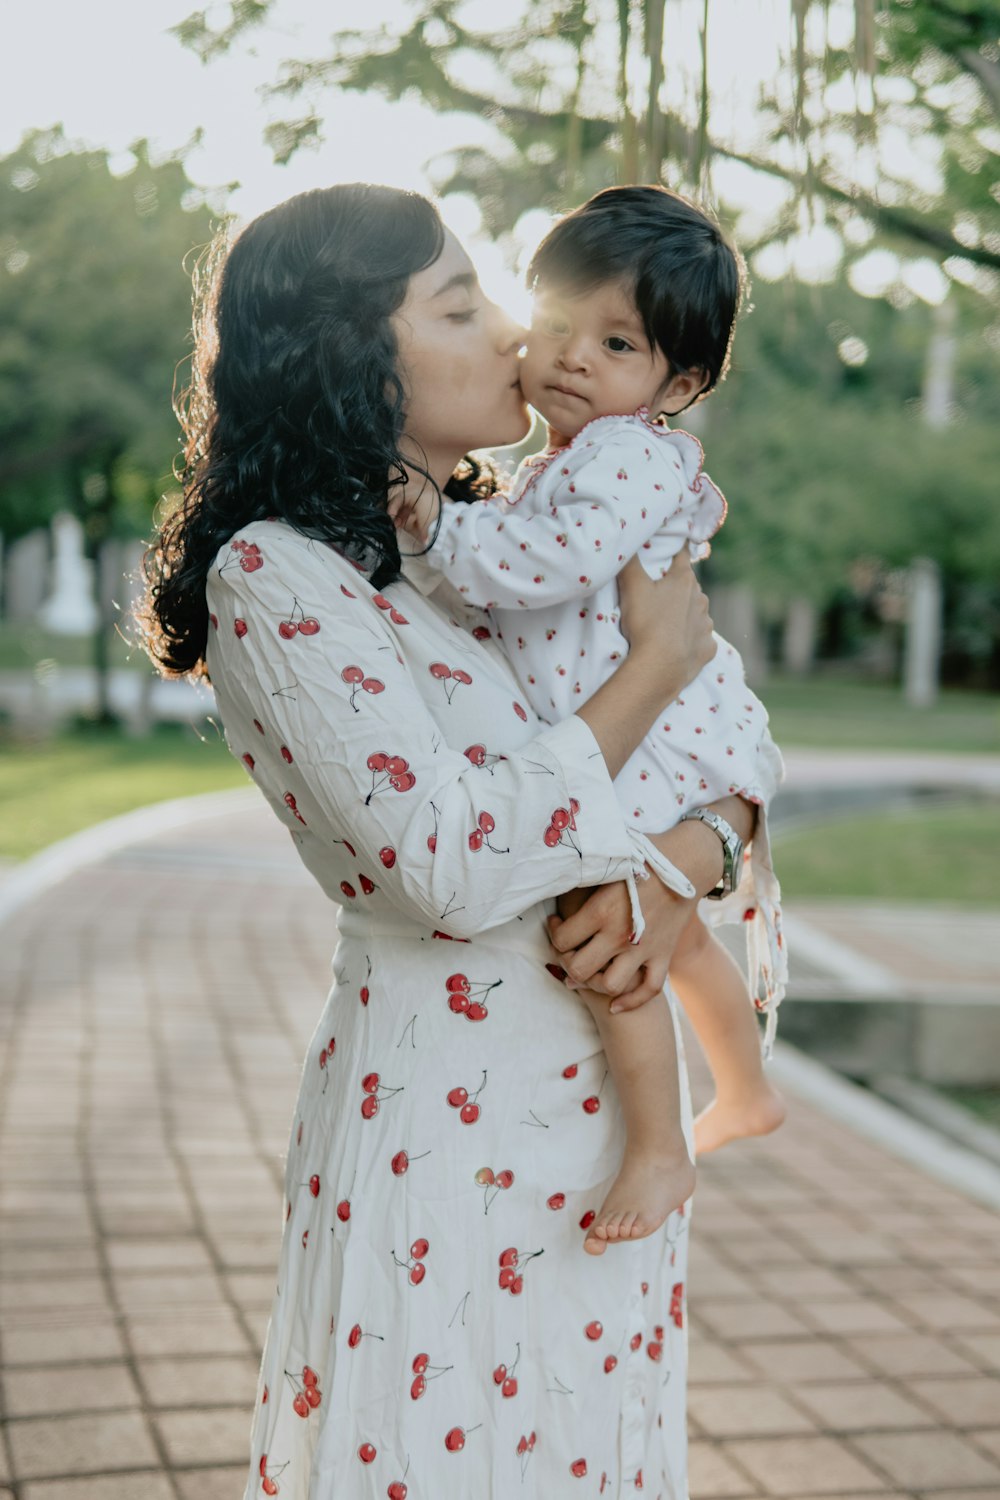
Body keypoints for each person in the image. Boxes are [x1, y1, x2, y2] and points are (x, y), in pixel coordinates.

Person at [139, 182, 771, 1500]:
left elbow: (707, 751)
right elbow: (448, 862)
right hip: (446, 1125)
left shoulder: (507, 550)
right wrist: (652, 666)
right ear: (351, 351)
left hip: (600, 1123)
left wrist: (702, 852)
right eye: (461, 302)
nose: (512, 337)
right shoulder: (280, 575)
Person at [406, 185, 787, 1255]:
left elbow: (546, 568)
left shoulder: (623, 458)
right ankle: (748, 1087)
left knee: (608, 931)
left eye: (614, 342)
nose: (570, 357)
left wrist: (438, 529)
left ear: (681, 382)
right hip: (663, 726)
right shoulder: (571, 462)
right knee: (668, 925)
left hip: (655, 737)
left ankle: (661, 1141)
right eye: (558, 322)